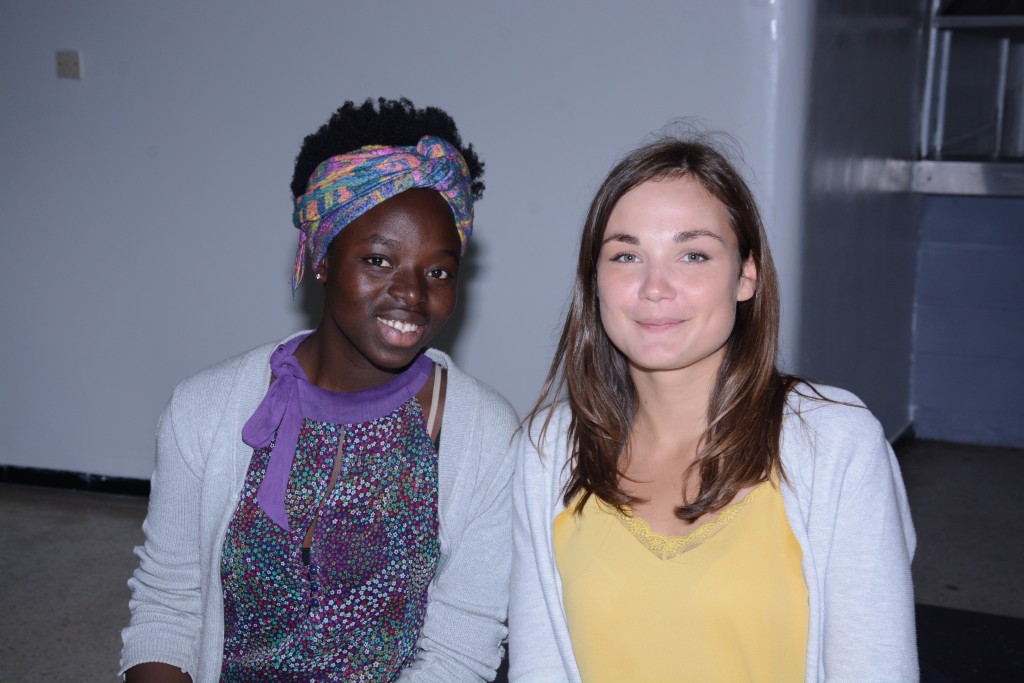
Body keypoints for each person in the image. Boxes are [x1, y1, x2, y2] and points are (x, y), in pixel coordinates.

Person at [120, 98, 518, 682]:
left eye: (438, 271)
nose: (413, 293)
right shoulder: (204, 410)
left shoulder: (484, 436)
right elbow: (168, 606)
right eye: (379, 260)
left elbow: (460, 649)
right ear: (321, 259)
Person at [509, 136, 918, 682]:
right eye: (626, 255)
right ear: (595, 280)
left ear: (746, 275)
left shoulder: (836, 442)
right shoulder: (547, 450)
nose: (655, 287)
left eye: (693, 255)